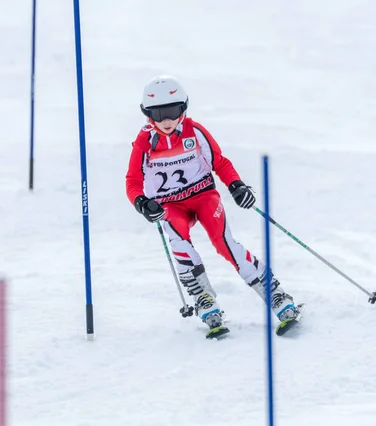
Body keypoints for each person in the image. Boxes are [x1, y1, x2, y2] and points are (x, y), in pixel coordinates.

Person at [126, 74, 297, 334]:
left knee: (224, 242)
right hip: (170, 205)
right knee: (180, 243)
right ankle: (202, 297)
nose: (166, 121)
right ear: (146, 114)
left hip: (203, 196)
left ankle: (275, 293)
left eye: (172, 111)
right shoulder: (145, 141)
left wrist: (236, 185)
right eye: (157, 114)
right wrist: (141, 203)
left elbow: (220, 162)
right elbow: (133, 180)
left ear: (183, 108)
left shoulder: (195, 132)